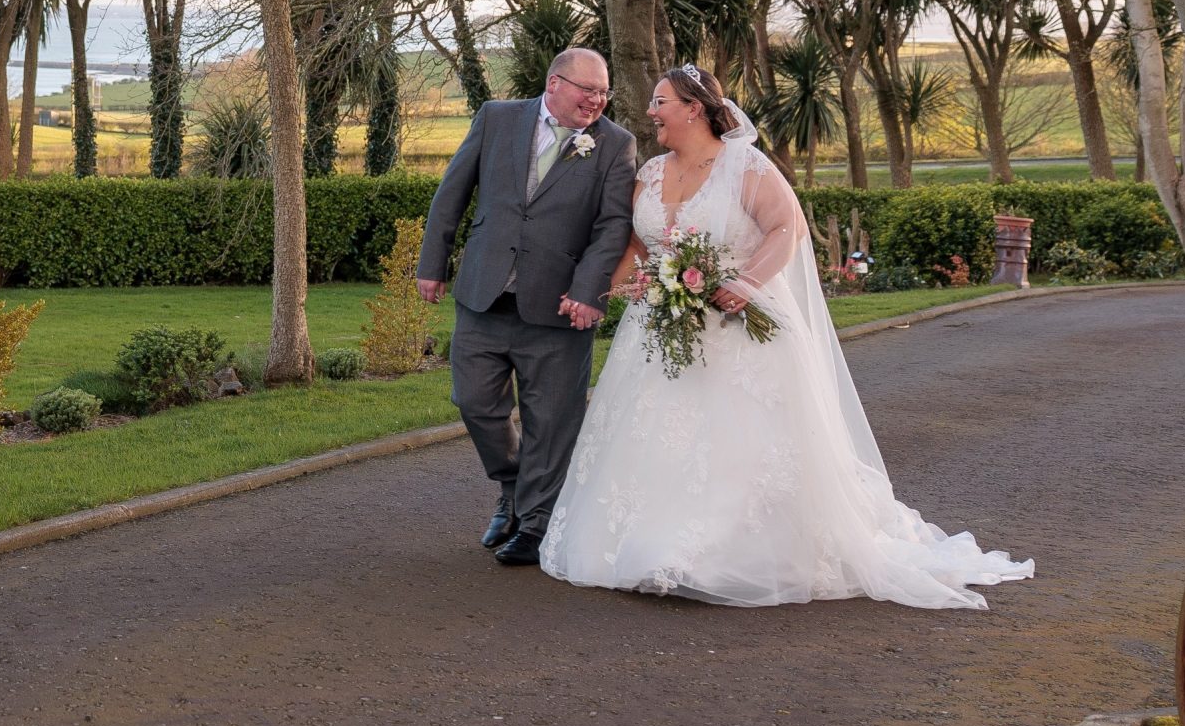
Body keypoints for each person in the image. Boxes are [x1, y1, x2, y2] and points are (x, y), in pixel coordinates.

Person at [540, 63, 1034, 608]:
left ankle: (723, 550)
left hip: (737, 327)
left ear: (693, 109)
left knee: (733, 443)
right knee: (654, 437)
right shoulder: (651, 173)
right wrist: (623, 282)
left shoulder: (745, 166)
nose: (651, 112)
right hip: (660, 329)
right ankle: (643, 542)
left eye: (660, 102)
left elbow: (788, 229)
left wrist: (746, 283)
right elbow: (637, 242)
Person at [416, 47, 638, 567]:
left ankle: (536, 525)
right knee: (473, 402)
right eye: (588, 90)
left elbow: (612, 228)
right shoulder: (496, 118)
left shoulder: (615, 144)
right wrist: (433, 263)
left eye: (604, 92)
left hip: (559, 307)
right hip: (483, 293)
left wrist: (589, 290)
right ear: (555, 83)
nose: (597, 101)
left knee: (552, 420)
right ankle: (512, 487)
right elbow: (453, 191)